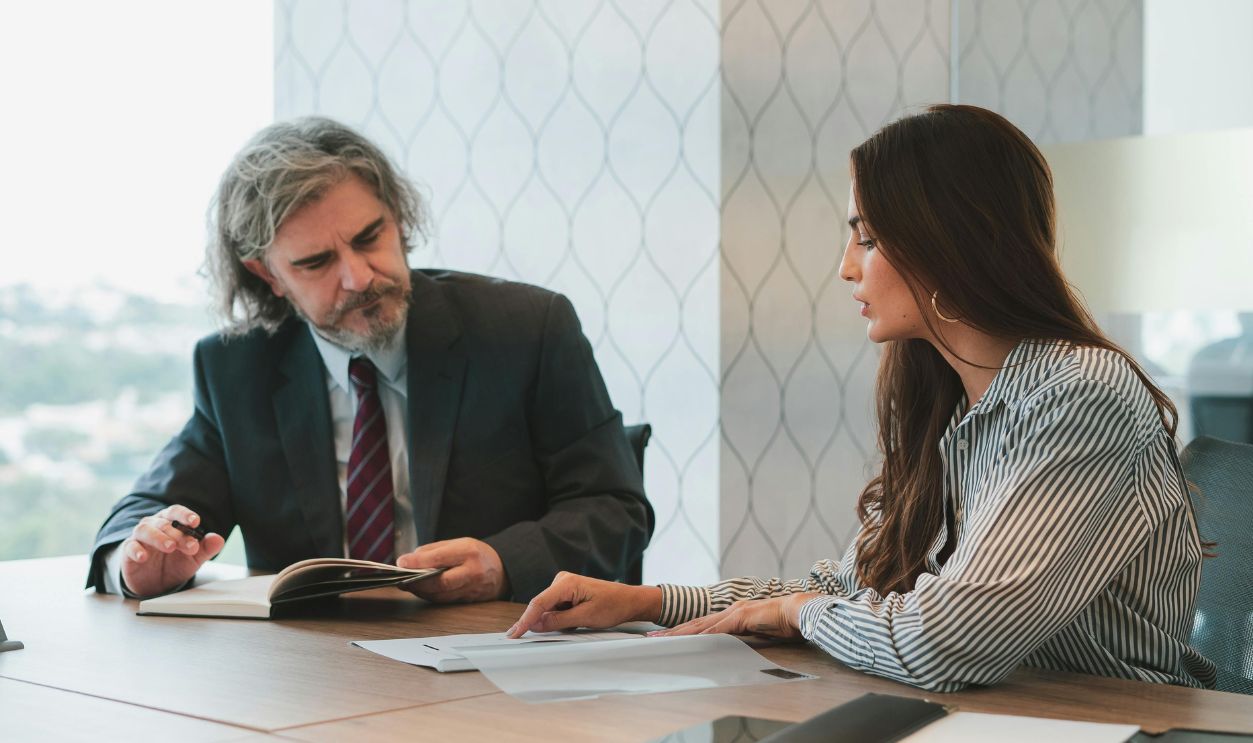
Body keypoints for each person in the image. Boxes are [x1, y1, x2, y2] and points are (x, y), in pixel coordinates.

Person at [507, 104, 1217, 692]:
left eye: (868, 237)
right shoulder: (950, 401)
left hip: (1107, 726)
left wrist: (802, 611)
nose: (846, 267)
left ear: (949, 243)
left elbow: (947, 640)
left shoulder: (1080, 397)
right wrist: (649, 602)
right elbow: (847, 590)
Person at [87, 117, 652, 604]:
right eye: (316, 262)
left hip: (497, 656)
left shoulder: (526, 329)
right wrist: (136, 561)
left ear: (398, 221)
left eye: (369, 237)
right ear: (268, 274)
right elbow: (152, 508)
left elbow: (615, 508)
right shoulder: (240, 369)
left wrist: (505, 562)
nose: (358, 277)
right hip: (318, 680)